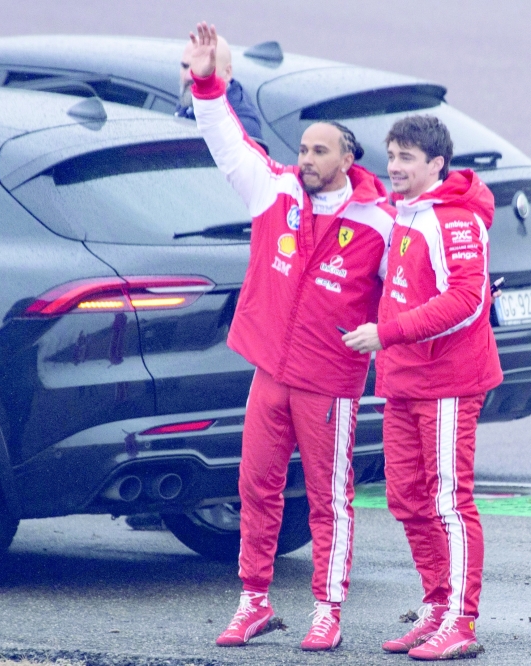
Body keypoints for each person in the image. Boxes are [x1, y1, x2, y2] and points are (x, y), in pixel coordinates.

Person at [185, 22, 395, 652]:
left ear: (347, 160)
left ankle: (327, 610)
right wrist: (207, 82)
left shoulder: (380, 220)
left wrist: (386, 334)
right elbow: (225, 139)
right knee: (255, 486)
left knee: (331, 501)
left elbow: (412, 286)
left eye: (319, 152)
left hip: (329, 385)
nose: (305, 159)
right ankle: (253, 601)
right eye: (302, 149)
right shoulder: (274, 189)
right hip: (269, 374)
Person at [344, 114, 502, 660]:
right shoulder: (404, 212)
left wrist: (386, 334)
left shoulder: (455, 219)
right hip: (404, 380)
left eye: (407, 158)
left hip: (449, 383)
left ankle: (461, 620)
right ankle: (436, 607)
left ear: (437, 164)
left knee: (448, 501)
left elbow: (467, 302)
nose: (394, 167)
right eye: (391, 156)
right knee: (406, 497)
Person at [176, 33, 263, 140]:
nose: (190, 76)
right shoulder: (189, 98)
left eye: (204, 68)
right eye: (185, 66)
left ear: (227, 72)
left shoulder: (241, 127)